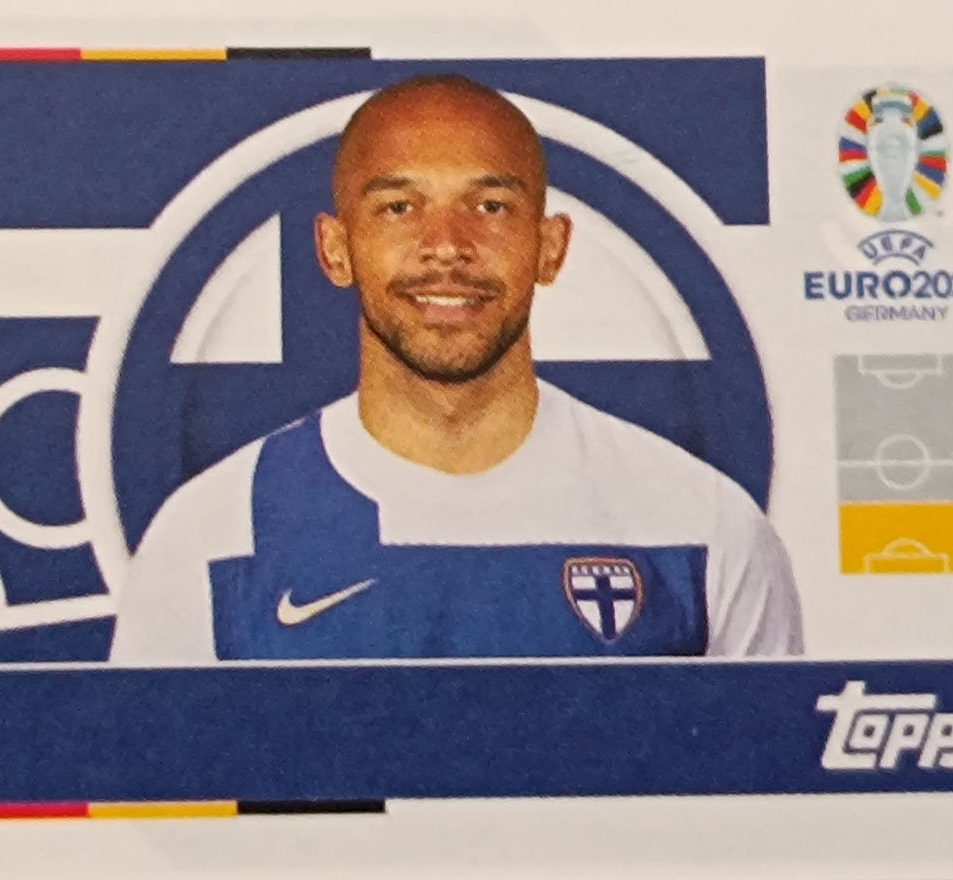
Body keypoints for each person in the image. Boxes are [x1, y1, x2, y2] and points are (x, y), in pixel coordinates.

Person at [110, 74, 802, 663]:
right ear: (335, 249)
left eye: (490, 206)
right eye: (399, 208)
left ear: (551, 247)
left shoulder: (703, 525)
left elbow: (767, 782)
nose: (446, 246)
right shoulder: (208, 537)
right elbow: (153, 785)